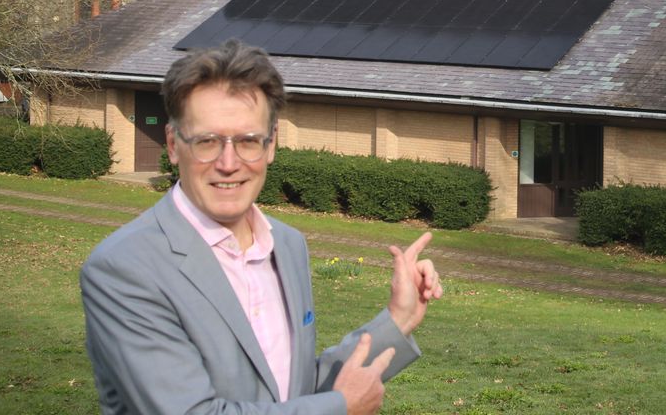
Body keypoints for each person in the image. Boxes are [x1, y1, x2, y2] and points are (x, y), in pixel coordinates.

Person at [80, 40, 442, 414]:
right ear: (173, 145)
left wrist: (398, 319)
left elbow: (291, 395)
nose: (228, 163)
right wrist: (340, 409)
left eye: (248, 141)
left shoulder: (287, 245)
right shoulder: (123, 268)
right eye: (207, 141)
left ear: (271, 145)